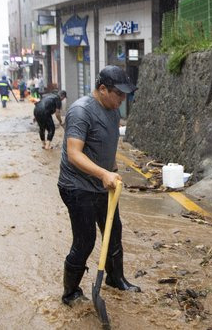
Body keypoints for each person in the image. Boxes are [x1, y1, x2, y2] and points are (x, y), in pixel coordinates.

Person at [58, 65, 140, 307]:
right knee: (85, 241)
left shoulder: (113, 111)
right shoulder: (81, 111)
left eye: (126, 94)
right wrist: (103, 173)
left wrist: (111, 170)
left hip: (103, 184)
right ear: (102, 89)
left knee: (114, 232)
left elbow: (106, 144)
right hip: (76, 186)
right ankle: (70, 293)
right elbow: (74, 154)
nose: (123, 99)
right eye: (119, 94)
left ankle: (116, 279)